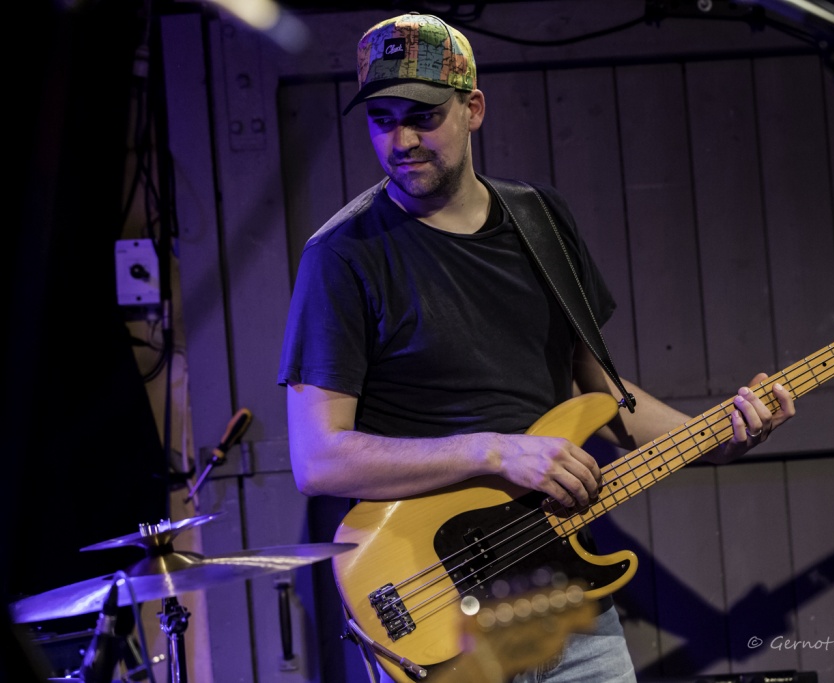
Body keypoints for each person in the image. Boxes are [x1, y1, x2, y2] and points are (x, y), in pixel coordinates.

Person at [277, 12, 796, 683]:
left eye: (423, 117)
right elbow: (318, 458)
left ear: (473, 108)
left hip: (565, 596)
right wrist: (495, 450)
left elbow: (601, 396)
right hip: (439, 614)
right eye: (382, 120)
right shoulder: (341, 255)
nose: (400, 141)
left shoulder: (541, 220)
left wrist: (717, 439)